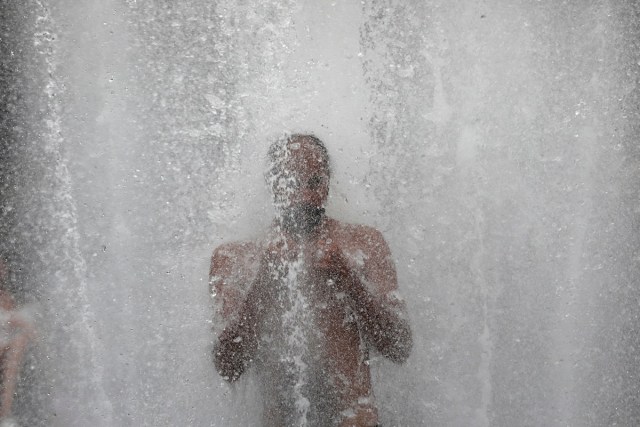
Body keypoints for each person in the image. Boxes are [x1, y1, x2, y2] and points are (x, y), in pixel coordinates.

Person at [210, 134, 412, 426]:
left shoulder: (364, 245)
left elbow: (400, 348)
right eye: (293, 183)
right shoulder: (236, 258)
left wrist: (349, 282)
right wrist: (263, 286)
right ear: (272, 184)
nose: (305, 196)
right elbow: (227, 366)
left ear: (328, 182)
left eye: (315, 182)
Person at [0, 259, 35, 427]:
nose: (3, 269)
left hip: (7, 344)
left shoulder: (7, 296)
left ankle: (5, 414)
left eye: (3, 265)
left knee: (19, 343)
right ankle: (5, 414)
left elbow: (22, 323)